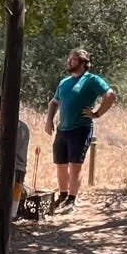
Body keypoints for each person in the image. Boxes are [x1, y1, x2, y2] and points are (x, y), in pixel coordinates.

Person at [44, 49, 117, 211]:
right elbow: (54, 102)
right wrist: (49, 120)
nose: (70, 62)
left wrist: (96, 113)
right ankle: (62, 196)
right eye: (69, 59)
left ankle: (72, 199)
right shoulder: (64, 82)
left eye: (74, 60)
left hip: (80, 129)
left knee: (75, 165)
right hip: (62, 129)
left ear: (84, 63)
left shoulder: (91, 80)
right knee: (60, 164)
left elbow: (110, 95)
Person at [0, 90, 31, 225]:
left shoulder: (2, 130)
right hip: (19, 173)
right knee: (9, 213)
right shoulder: (24, 127)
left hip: (3, 173)